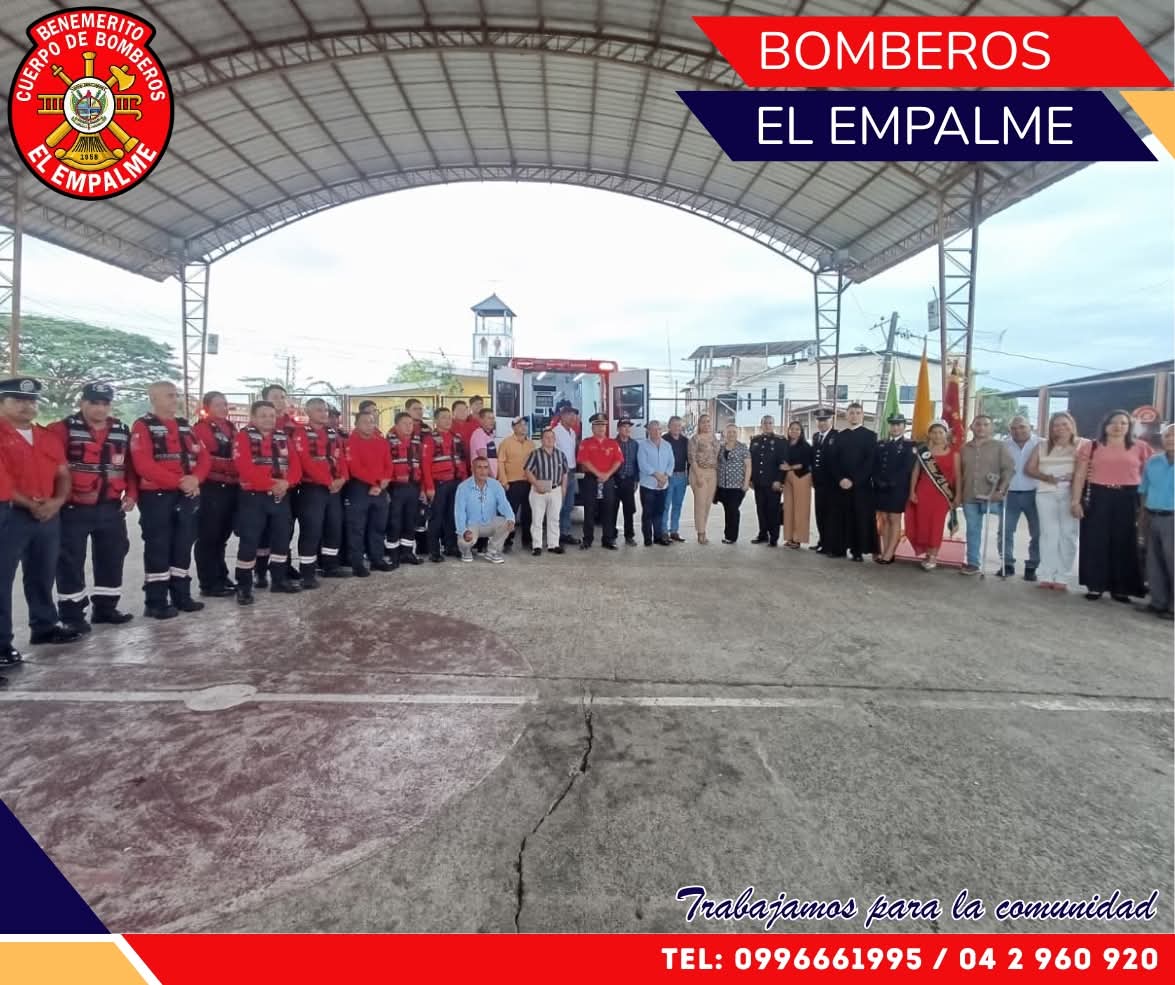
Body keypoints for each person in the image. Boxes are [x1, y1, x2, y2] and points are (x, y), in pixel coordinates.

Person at [0, 377, 82, 663]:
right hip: (10, 513)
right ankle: (2, 645)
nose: (27, 406)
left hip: (48, 513)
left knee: (42, 573)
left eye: (31, 401)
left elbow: (63, 473)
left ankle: (44, 626)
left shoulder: (46, 437)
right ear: (2, 403)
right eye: (18, 401)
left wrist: (57, 501)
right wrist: (32, 505)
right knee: (2, 580)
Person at [49, 382, 137, 633]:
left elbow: (130, 467)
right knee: (69, 561)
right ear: (82, 403)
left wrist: (132, 494)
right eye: (94, 403)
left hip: (111, 508)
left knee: (112, 557)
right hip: (73, 509)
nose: (100, 408)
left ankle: (105, 609)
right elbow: (52, 468)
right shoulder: (61, 429)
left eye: (105, 403)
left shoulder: (122, 430)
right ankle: (72, 614)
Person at [130, 381, 210, 617]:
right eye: (169, 395)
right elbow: (143, 464)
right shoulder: (143, 426)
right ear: (153, 398)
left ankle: (181, 596)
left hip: (186, 494)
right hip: (157, 496)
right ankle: (155, 601)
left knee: (183, 545)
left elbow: (204, 457)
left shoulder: (185, 426)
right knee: (158, 546)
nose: (174, 399)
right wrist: (179, 482)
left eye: (175, 395)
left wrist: (195, 479)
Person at [1071, 409, 1153, 602]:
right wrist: (1075, 501)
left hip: (1128, 497)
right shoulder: (1092, 446)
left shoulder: (1141, 447)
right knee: (1095, 540)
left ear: (1129, 426)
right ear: (1105, 425)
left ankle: (1121, 588)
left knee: (1124, 541)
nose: (1118, 426)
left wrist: (1145, 505)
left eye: (1123, 423)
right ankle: (1095, 585)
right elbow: (1080, 475)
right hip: (1098, 495)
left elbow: (1148, 477)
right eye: (1114, 422)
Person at [232, 400, 304, 604]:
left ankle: (279, 580)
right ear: (253, 418)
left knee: (281, 539)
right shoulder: (243, 437)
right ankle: (244, 586)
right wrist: (271, 484)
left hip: (281, 496)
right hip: (253, 498)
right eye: (263, 415)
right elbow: (244, 466)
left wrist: (287, 483)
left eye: (271, 416)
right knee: (249, 542)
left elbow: (296, 466)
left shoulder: (283, 438)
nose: (268, 419)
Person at [291, 397, 350, 586]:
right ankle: (307, 573)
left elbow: (342, 459)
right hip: (313, 489)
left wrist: (343, 478)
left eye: (325, 410)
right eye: (318, 410)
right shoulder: (300, 433)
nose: (323, 413)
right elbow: (305, 461)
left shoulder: (333, 433)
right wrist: (327, 481)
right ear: (308, 412)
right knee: (312, 530)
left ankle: (330, 566)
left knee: (334, 527)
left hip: (334, 489)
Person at [1024, 411, 1083, 590]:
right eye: (1056, 425)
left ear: (1072, 425)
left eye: (1064, 424)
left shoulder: (1083, 444)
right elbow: (1029, 468)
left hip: (1071, 494)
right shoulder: (1042, 445)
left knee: (1068, 534)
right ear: (1051, 428)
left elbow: (1088, 469)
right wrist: (1046, 477)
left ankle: (1062, 576)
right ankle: (1047, 574)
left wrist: (1075, 476)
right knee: (1049, 534)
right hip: (1046, 493)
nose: (1060, 428)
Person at [955, 414, 1015, 576]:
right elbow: (959, 473)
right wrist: (958, 495)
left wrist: (1001, 490)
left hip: (992, 495)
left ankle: (1006, 563)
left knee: (1004, 530)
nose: (981, 427)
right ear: (972, 427)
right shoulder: (964, 448)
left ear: (991, 428)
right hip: (969, 495)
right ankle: (973, 563)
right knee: (972, 530)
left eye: (986, 424)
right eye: (978, 424)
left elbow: (1009, 469)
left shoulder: (999, 447)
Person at [192, 391, 239, 597]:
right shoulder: (200, 429)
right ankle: (209, 582)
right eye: (218, 404)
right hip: (211, 487)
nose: (223, 408)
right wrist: (231, 465)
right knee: (208, 536)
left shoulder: (230, 427)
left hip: (231, 487)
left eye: (225, 404)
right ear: (207, 408)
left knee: (222, 535)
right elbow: (203, 458)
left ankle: (221, 575)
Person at [344, 410, 393, 576]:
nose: (369, 425)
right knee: (357, 528)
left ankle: (377, 559)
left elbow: (389, 465)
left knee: (378, 526)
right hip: (358, 488)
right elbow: (355, 468)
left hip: (380, 488)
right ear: (356, 424)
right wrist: (376, 482)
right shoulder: (350, 442)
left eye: (372, 421)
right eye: (365, 422)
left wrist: (383, 482)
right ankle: (357, 563)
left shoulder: (381, 442)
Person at [905, 421, 959, 571]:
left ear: (946, 434)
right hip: (923, 492)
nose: (937, 435)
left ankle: (933, 555)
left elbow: (958, 477)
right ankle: (927, 553)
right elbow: (916, 472)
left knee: (936, 525)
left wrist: (958, 496)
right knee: (923, 524)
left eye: (940, 432)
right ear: (929, 434)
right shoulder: (924, 452)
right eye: (934, 432)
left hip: (942, 495)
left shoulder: (954, 453)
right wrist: (912, 491)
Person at [828, 402, 878, 562]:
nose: (854, 415)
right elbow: (833, 461)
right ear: (846, 415)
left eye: (857, 412)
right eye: (851, 413)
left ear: (862, 415)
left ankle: (857, 551)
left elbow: (870, 463)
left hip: (861, 487)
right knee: (840, 517)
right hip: (840, 485)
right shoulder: (839, 436)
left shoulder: (870, 436)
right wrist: (840, 478)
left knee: (859, 518)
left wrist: (854, 481)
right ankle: (839, 548)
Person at [386, 412, 433, 568]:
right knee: (394, 522)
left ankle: (407, 553)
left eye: (411, 424)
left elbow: (422, 467)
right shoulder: (388, 442)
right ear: (396, 425)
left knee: (410, 521)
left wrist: (423, 489)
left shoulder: (417, 443)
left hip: (413, 487)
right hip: (395, 488)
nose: (408, 427)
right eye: (405, 424)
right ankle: (393, 554)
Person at [1137, 423, 1174, 619]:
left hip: (1172, 518)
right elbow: (1144, 490)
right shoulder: (1153, 461)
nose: (1171, 439)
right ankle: (1158, 602)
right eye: (1167, 436)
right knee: (1153, 562)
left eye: (1174, 436)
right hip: (1152, 515)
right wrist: (1142, 517)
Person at [1000, 415, 1042, 581]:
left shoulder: (1042, 444)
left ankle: (1032, 566)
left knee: (1037, 532)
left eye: (1022, 427)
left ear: (1030, 426)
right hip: (1010, 494)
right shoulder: (1004, 445)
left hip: (1034, 493)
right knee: (1005, 530)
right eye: (1014, 428)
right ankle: (1007, 564)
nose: (1018, 431)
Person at [425, 406, 468, 562]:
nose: (448, 420)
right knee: (436, 518)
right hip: (439, 484)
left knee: (452, 516)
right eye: (443, 417)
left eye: (449, 417)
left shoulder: (456, 438)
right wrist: (429, 487)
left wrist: (464, 482)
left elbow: (462, 461)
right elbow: (425, 464)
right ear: (436, 420)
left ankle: (451, 546)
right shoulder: (430, 439)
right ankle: (434, 551)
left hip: (455, 483)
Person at [873, 413, 917, 564]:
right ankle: (887, 551)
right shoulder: (881, 444)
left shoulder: (909, 445)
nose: (895, 427)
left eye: (898, 424)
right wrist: (878, 480)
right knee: (884, 519)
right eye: (892, 424)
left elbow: (907, 468)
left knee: (894, 518)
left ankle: (890, 552)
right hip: (881, 487)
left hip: (898, 488)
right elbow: (875, 464)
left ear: (904, 427)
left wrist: (892, 482)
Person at [454, 456, 515, 563]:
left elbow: (504, 504)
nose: (483, 471)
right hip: (472, 525)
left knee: (507, 522)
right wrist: (463, 531)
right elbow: (459, 512)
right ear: (472, 469)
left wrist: (511, 518)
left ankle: (492, 551)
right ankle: (466, 552)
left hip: (490, 522)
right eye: (479, 467)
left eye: (486, 467)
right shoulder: (463, 487)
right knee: (464, 542)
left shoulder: (495, 485)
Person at [577, 412, 623, 550]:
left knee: (608, 510)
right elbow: (584, 461)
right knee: (589, 510)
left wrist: (607, 474)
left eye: (603, 425)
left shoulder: (613, 443)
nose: (601, 428)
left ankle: (608, 539)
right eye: (597, 425)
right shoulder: (586, 443)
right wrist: (599, 474)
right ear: (592, 428)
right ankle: (587, 539)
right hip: (591, 480)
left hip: (608, 480)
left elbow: (618, 461)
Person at [525, 429, 570, 555]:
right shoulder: (535, 454)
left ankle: (553, 545)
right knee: (537, 519)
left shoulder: (561, 455)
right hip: (538, 491)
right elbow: (528, 471)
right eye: (546, 437)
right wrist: (536, 484)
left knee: (554, 519)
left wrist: (563, 489)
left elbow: (565, 474)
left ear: (555, 440)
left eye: (552, 437)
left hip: (555, 490)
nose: (549, 440)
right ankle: (537, 546)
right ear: (542, 440)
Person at [498, 416, 535, 552]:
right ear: (513, 427)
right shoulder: (506, 443)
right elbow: (500, 463)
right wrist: (504, 481)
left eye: (525, 425)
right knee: (510, 514)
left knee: (528, 514)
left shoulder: (531, 444)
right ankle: (507, 541)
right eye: (520, 425)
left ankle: (527, 540)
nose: (523, 427)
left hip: (528, 483)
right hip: (512, 483)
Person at [749, 415, 786, 546]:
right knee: (761, 509)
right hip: (758, 482)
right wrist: (750, 479)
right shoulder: (755, 441)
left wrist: (779, 480)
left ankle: (774, 537)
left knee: (773, 511)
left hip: (773, 483)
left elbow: (783, 463)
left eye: (770, 423)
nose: (767, 425)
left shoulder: (780, 441)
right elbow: (752, 461)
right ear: (761, 425)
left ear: (773, 425)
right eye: (765, 423)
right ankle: (763, 534)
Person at [638, 420, 675, 546]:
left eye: (658, 429)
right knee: (648, 513)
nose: (656, 432)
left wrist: (665, 477)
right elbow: (643, 464)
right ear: (648, 431)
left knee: (659, 512)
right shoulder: (643, 445)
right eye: (653, 429)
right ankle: (648, 539)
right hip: (648, 485)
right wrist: (657, 476)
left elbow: (671, 463)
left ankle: (658, 537)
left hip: (663, 485)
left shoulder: (667, 445)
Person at [715, 423, 751, 544]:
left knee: (733, 510)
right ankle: (728, 535)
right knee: (727, 510)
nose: (731, 434)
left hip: (737, 486)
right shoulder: (721, 447)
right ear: (725, 433)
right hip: (723, 486)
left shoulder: (742, 447)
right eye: (729, 432)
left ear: (737, 433)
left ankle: (732, 536)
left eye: (734, 432)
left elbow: (748, 466)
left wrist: (746, 484)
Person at [780, 421, 813, 549]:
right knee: (788, 507)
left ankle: (798, 538)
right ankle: (789, 537)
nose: (794, 431)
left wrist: (789, 467)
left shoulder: (805, 446)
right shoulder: (785, 445)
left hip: (802, 477)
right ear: (788, 431)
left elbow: (805, 464)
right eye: (792, 429)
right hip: (787, 477)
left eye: (797, 429)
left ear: (801, 432)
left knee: (800, 508)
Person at [688, 414, 720, 544]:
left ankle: (703, 528)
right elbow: (692, 458)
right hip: (699, 472)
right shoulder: (695, 439)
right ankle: (701, 533)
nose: (706, 424)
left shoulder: (714, 438)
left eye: (708, 421)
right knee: (700, 504)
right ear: (699, 424)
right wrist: (698, 475)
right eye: (703, 422)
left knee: (707, 504)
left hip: (712, 472)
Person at [552, 405, 581, 546]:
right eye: (570, 415)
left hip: (572, 472)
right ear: (562, 416)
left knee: (569, 505)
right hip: (559, 473)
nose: (573, 418)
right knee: (558, 505)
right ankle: (554, 535)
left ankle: (565, 533)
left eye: (574, 415)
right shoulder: (555, 432)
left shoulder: (572, 433)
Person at [810, 408, 838, 553]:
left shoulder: (836, 436)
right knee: (820, 513)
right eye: (819, 421)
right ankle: (822, 540)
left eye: (825, 420)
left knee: (830, 515)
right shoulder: (816, 437)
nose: (821, 423)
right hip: (818, 483)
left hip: (832, 484)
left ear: (831, 420)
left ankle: (830, 544)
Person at [613, 418, 641, 547]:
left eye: (629, 427)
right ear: (618, 429)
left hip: (629, 481)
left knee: (629, 510)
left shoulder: (634, 444)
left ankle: (629, 536)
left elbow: (636, 463)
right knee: (612, 509)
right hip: (615, 480)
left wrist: (636, 480)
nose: (627, 429)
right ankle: (611, 535)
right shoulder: (612, 443)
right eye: (624, 427)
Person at [662, 416, 690, 542]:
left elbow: (689, 459)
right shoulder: (664, 440)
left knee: (677, 505)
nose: (677, 428)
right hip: (668, 476)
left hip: (682, 476)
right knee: (666, 505)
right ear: (669, 426)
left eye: (679, 425)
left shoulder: (685, 441)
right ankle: (664, 532)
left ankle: (674, 531)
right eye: (674, 425)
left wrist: (688, 476)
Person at [467, 407, 499, 480]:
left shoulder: (489, 435)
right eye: (489, 418)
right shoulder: (479, 434)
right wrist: (492, 476)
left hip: (490, 477)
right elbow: (483, 458)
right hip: (483, 477)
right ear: (481, 420)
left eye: (493, 418)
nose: (492, 421)